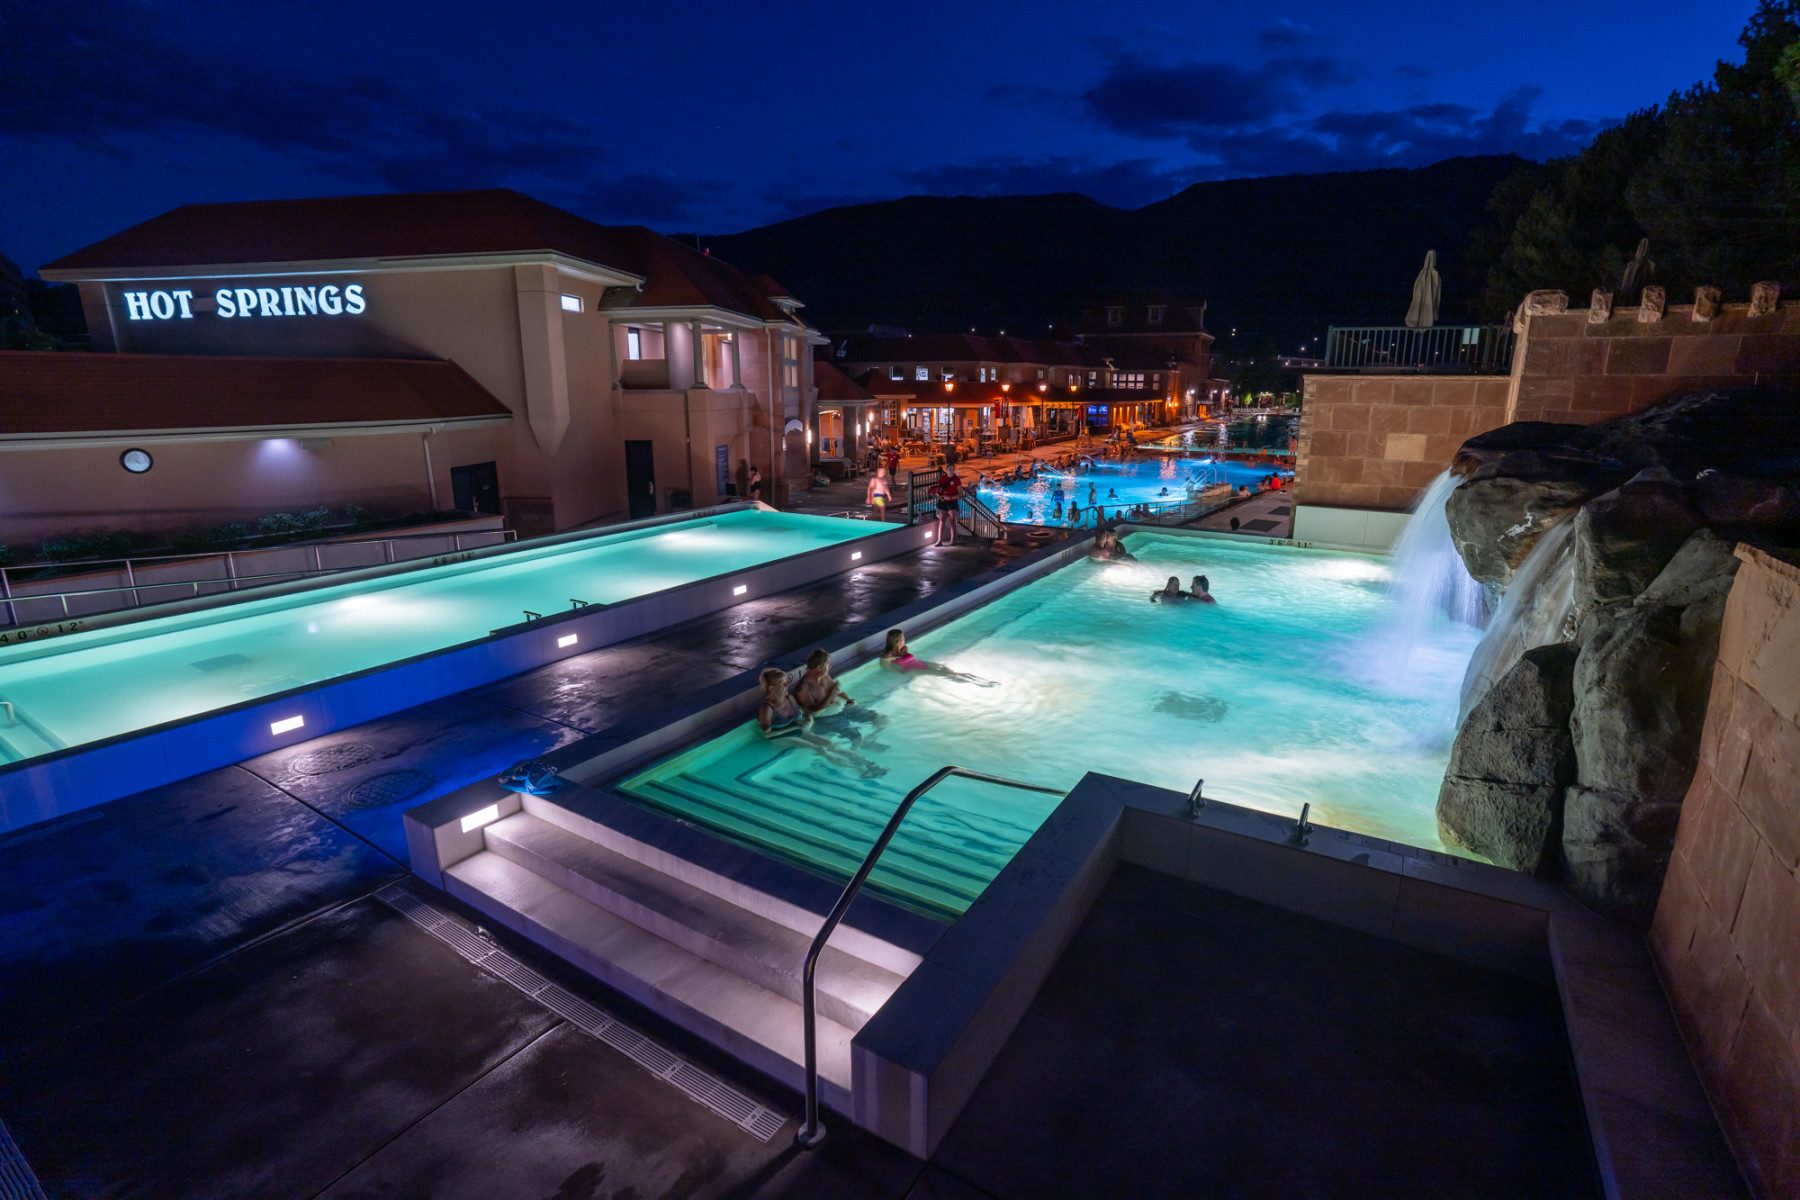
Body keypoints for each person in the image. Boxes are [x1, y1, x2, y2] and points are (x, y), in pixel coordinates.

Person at [757, 667, 887, 776]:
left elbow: (804, 713)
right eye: (783, 684)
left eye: (786, 683)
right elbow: (767, 735)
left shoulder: (789, 698)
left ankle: (868, 763)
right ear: (772, 689)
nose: (787, 686)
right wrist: (794, 728)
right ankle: (858, 771)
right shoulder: (767, 708)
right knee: (820, 748)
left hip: (798, 730)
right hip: (781, 737)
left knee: (831, 744)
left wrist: (809, 721)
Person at [793, 648, 887, 746]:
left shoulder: (825, 676)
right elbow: (814, 713)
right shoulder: (803, 687)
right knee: (858, 738)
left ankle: (871, 739)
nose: (830, 666)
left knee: (882, 719)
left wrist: (849, 699)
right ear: (819, 668)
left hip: (843, 710)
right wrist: (831, 694)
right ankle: (853, 757)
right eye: (827, 664)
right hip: (828, 719)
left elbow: (837, 691)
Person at [880, 629, 996, 685]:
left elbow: (910, 658)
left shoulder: (903, 649)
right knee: (943, 674)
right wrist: (900, 670)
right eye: (902, 638)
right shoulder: (887, 655)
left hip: (919, 663)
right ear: (896, 640)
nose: (904, 639)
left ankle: (979, 679)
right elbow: (886, 668)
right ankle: (978, 684)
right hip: (910, 670)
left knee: (947, 670)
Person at [931, 466, 963, 546]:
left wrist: (950, 497)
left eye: (952, 469)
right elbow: (938, 489)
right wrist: (940, 496)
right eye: (949, 469)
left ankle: (953, 540)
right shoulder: (943, 478)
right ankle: (939, 540)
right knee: (942, 521)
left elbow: (960, 493)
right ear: (947, 470)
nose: (951, 471)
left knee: (953, 521)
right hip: (943, 502)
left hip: (952, 502)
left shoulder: (956, 479)